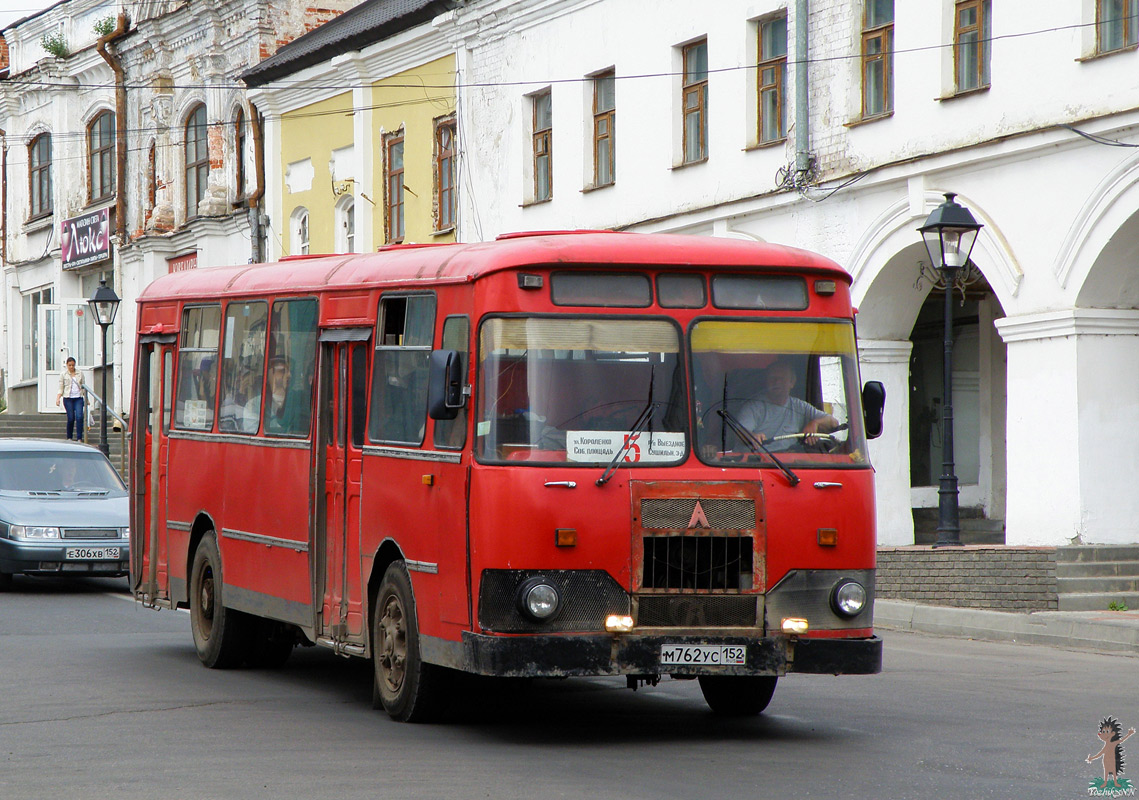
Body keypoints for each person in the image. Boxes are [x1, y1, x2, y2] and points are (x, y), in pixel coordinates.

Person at [736, 359, 838, 452]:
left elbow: (834, 423)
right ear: (766, 382)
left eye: (782, 378)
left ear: (792, 383)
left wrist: (815, 423)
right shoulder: (753, 406)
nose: (777, 382)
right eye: (773, 378)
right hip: (757, 462)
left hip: (790, 463)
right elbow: (740, 432)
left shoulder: (800, 406)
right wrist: (752, 437)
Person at [55, 357, 86, 442]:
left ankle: (79, 437)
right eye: (70, 365)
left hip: (78, 398)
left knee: (79, 416)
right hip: (68, 398)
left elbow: (83, 386)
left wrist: (87, 399)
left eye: (73, 365)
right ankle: (69, 437)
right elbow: (61, 387)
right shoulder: (63, 374)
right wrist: (58, 398)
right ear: (67, 365)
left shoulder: (80, 373)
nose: (71, 367)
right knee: (71, 417)